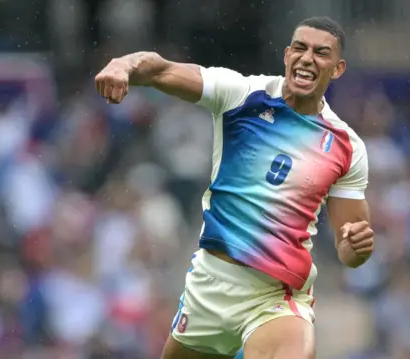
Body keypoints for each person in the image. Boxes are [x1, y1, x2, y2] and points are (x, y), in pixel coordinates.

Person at [95, 16, 374, 359]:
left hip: (275, 297)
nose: (307, 58)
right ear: (287, 55)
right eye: (300, 48)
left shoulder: (347, 146)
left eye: (321, 52)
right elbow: (160, 71)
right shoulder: (242, 95)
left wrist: (356, 248)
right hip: (209, 286)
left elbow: (350, 248)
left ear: (337, 68)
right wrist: (123, 65)